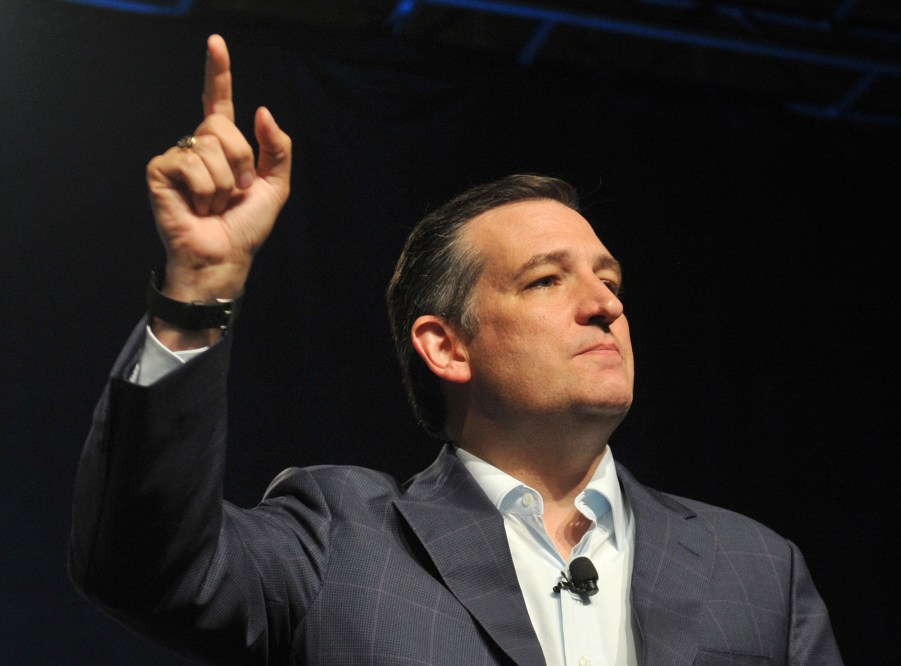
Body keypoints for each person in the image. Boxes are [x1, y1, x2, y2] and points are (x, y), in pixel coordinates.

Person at [70, 35, 842, 665]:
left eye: (610, 281)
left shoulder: (759, 570)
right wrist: (197, 291)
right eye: (546, 281)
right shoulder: (339, 540)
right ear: (446, 347)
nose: (606, 304)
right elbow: (146, 566)